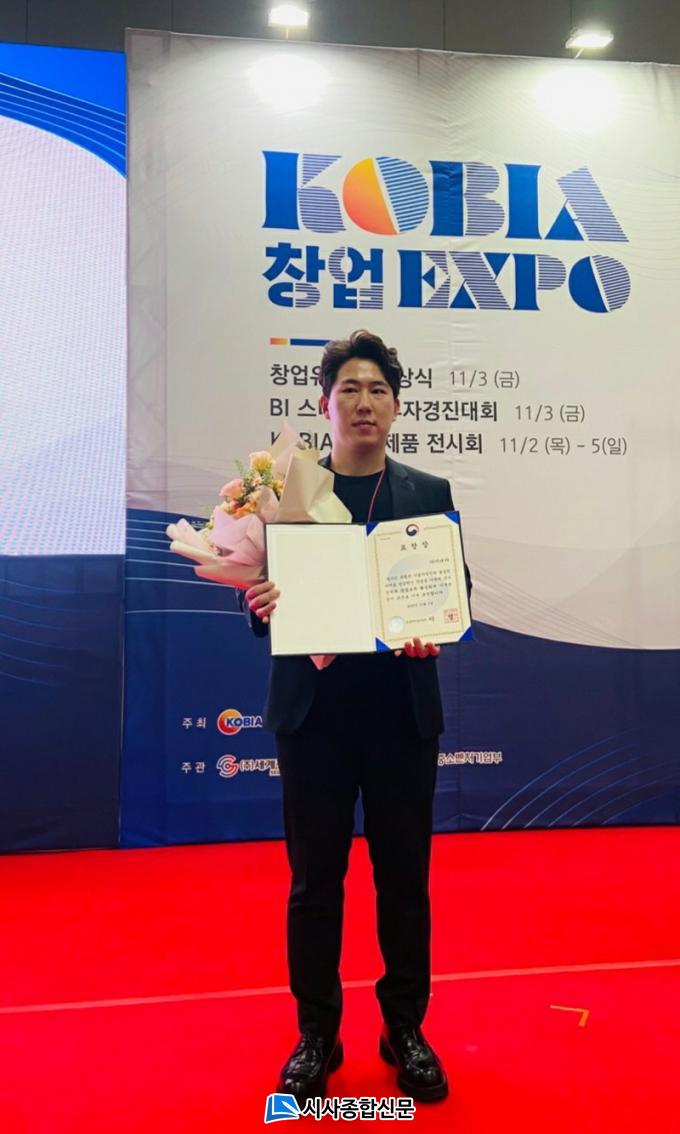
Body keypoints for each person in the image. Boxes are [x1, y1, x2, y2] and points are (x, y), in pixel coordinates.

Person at [241, 330, 471, 1106]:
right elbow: (261, 596)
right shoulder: (284, 494)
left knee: (404, 881)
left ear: (396, 407)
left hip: (400, 715)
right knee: (315, 883)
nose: (364, 402)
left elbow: (454, 591)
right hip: (314, 719)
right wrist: (259, 602)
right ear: (324, 404)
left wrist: (435, 626)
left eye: (377, 389)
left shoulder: (428, 491)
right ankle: (317, 1033)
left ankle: (405, 1028)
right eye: (349, 389)